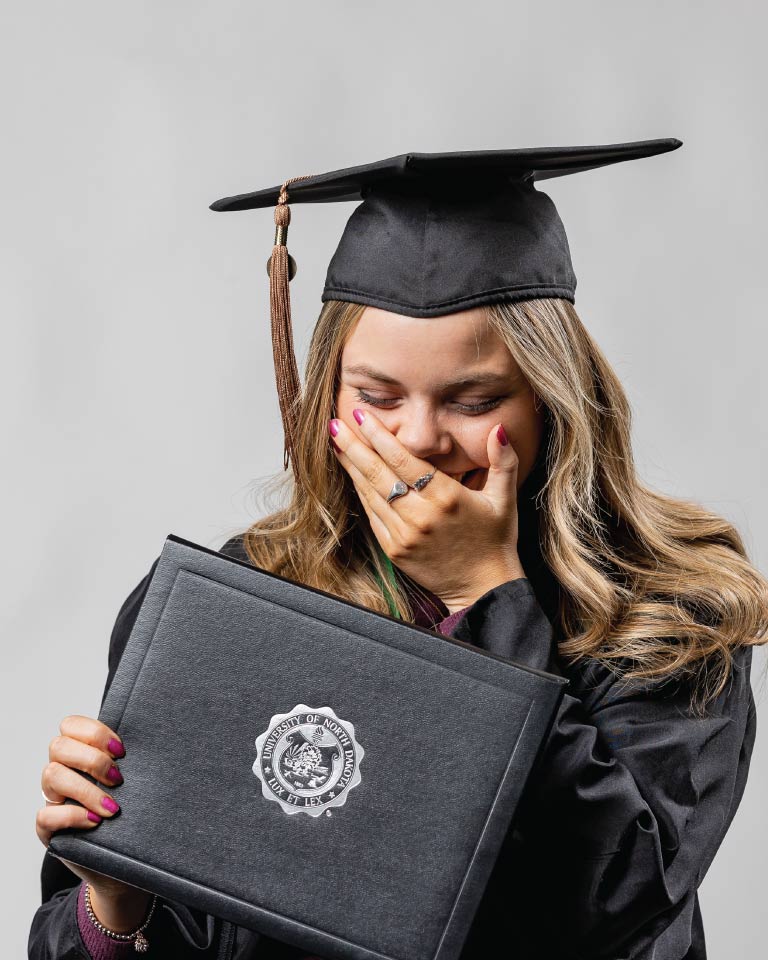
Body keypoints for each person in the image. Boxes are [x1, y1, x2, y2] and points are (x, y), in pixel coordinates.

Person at [30, 141, 767, 960]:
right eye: (377, 396)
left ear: (555, 401)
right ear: (328, 398)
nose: (420, 439)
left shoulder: (671, 617)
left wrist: (488, 598)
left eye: (475, 398)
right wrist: (116, 899)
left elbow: (618, 908)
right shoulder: (235, 601)